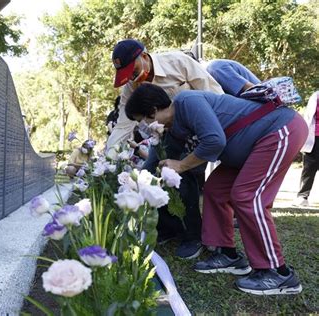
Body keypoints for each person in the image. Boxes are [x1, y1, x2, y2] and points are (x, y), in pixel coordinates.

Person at [125, 83, 306, 295]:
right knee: (215, 190)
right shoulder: (174, 128)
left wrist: (181, 165)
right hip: (251, 147)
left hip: (279, 130)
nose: (143, 126)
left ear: (153, 111)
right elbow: (158, 160)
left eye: (142, 120)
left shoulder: (187, 102)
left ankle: (278, 273)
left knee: (248, 197)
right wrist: (135, 183)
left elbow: (214, 141)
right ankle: (227, 254)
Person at [108, 39, 224, 259]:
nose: (131, 79)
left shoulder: (177, 62)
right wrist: (107, 157)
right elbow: (123, 124)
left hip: (195, 128)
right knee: (149, 173)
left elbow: (211, 90)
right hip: (165, 135)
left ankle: (193, 235)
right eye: (126, 76)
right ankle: (170, 227)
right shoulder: (130, 88)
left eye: (132, 71)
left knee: (185, 175)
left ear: (143, 56)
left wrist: (219, 127)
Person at [294, 91, 319, 207]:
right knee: (309, 167)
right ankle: (302, 196)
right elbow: (308, 117)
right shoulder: (316, 96)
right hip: (315, 137)